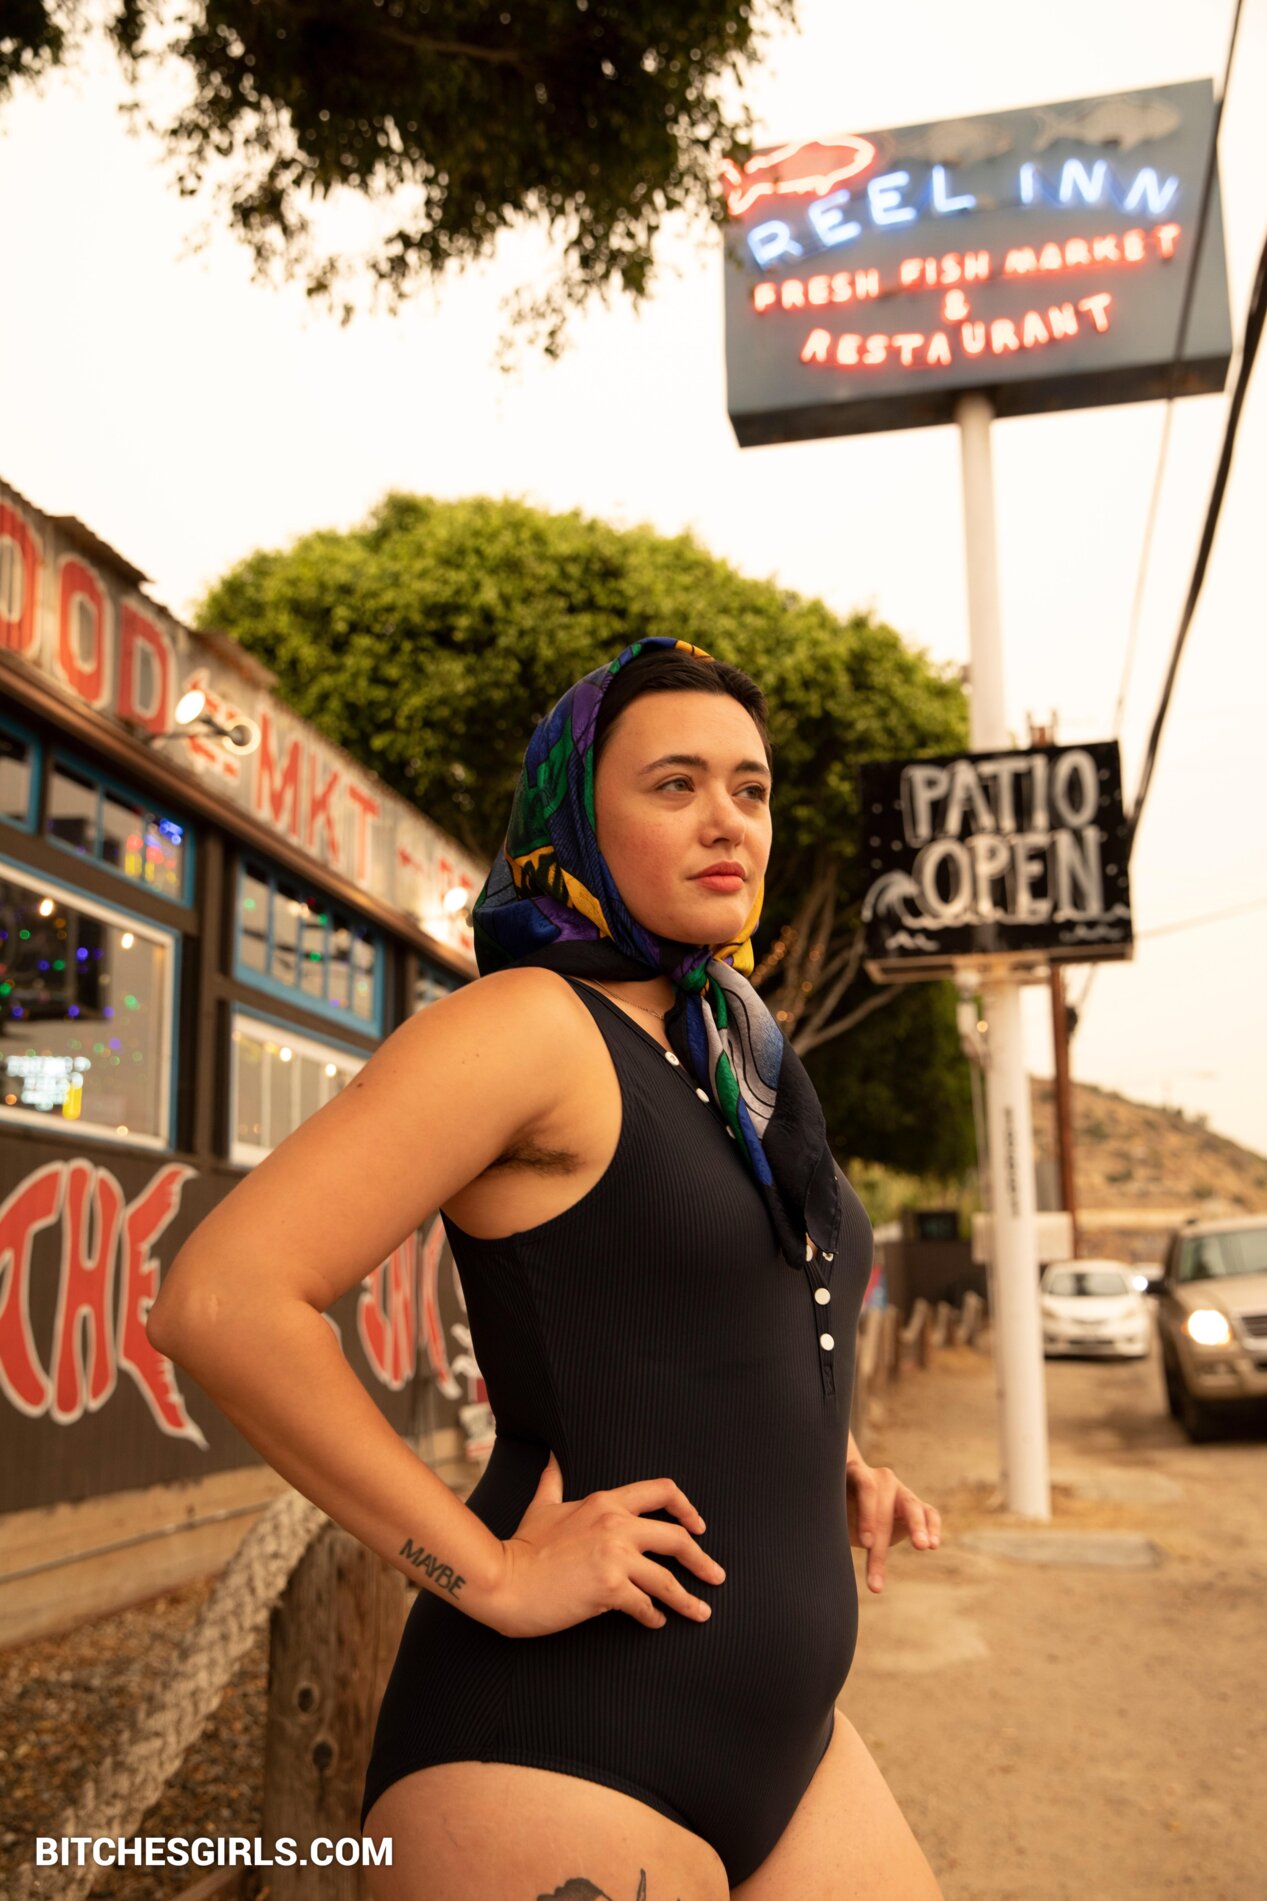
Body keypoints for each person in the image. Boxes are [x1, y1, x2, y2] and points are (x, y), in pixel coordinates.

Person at [148, 638, 945, 1901]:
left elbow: (710, 1304)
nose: (727, 819)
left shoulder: (733, 1051)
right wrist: (495, 1569)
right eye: (674, 784)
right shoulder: (527, 1025)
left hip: (791, 1745)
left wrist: (821, 1451)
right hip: (557, 1749)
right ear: (573, 814)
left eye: (749, 787)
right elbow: (221, 1298)